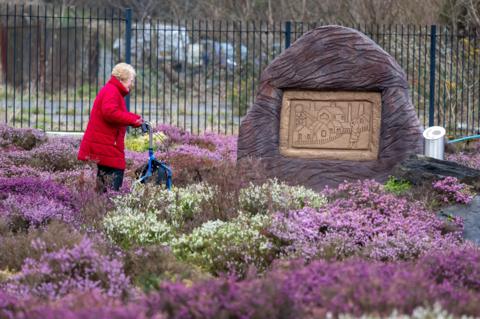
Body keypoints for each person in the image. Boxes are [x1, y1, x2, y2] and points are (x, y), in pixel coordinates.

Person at [78, 63, 143, 192]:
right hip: (107, 144)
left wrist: (134, 118)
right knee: (115, 176)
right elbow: (110, 113)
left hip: (106, 143)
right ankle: (107, 208)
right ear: (122, 79)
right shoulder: (112, 91)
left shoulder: (112, 90)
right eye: (131, 80)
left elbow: (113, 112)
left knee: (104, 183)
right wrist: (133, 119)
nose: (132, 84)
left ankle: (100, 208)